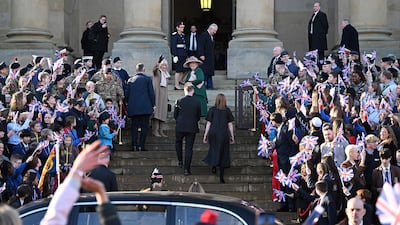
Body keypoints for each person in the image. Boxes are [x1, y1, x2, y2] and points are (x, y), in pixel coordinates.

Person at [39, 140, 122, 225]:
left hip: (86, 209)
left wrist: (76, 171)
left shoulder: (87, 173)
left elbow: (55, 217)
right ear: (107, 160)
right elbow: (114, 194)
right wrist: (102, 196)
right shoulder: (111, 175)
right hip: (101, 209)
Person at [203, 93, 234, 183]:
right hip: (224, 133)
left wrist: (205, 135)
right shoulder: (227, 110)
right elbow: (230, 124)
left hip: (213, 133)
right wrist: (232, 136)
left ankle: (213, 166)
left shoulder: (212, 110)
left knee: (214, 149)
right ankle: (221, 175)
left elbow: (208, 123)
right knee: (223, 153)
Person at [126, 63, 155, 151]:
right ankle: (141, 146)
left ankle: (134, 145)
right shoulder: (147, 79)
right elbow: (151, 93)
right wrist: (153, 105)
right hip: (145, 108)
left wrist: (128, 103)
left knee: (134, 127)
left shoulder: (130, 80)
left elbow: (127, 94)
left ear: (136, 70)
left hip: (134, 108)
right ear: (144, 69)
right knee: (144, 128)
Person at [174, 83, 201, 176]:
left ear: (185, 91)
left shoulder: (179, 101)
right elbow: (198, 116)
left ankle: (180, 160)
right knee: (189, 148)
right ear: (192, 91)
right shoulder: (197, 102)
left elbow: (175, 115)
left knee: (178, 142)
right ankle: (187, 169)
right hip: (191, 126)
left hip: (180, 126)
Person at [152, 56, 170, 137]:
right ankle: (155, 130)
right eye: (162, 65)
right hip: (157, 96)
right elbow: (154, 69)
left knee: (163, 113)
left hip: (164, 97)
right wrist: (158, 63)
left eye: (165, 65)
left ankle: (161, 130)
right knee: (157, 113)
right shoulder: (157, 72)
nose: (164, 67)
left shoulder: (166, 74)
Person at [198, 23, 218, 90]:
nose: (215, 32)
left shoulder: (210, 36)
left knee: (209, 72)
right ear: (210, 29)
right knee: (205, 72)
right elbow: (200, 46)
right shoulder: (204, 35)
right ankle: (205, 85)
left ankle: (210, 85)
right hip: (205, 57)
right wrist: (201, 54)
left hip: (210, 57)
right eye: (214, 31)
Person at [171, 21, 187, 90]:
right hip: (178, 54)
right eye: (181, 27)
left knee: (185, 69)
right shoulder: (175, 35)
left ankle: (180, 80)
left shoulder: (183, 35)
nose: (182, 28)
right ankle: (176, 85)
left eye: (183, 27)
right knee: (178, 70)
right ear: (177, 28)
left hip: (183, 54)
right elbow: (173, 46)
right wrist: (175, 55)